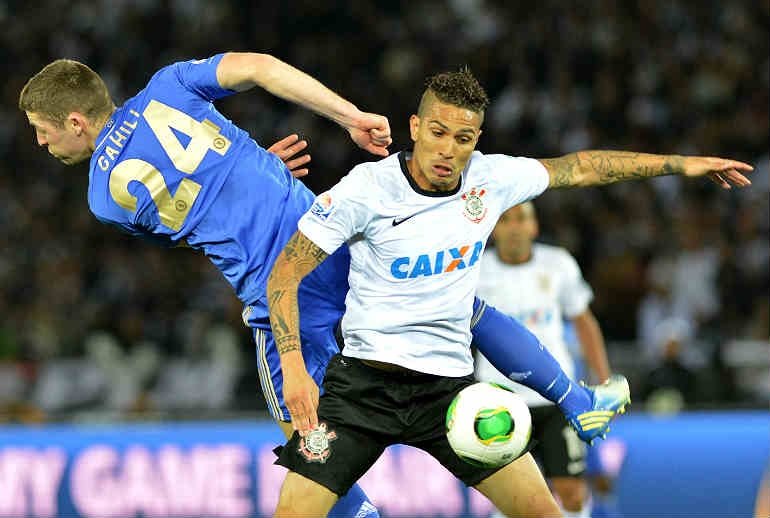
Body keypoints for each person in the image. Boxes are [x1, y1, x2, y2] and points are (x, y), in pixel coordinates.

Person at [19, 53, 620, 518]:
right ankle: (576, 399)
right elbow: (261, 68)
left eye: (43, 131)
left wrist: (244, 173)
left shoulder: (104, 200)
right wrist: (343, 118)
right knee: (457, 306)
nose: (41, 144)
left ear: (77, 121)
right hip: (336, 254)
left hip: (284, 299)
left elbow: (201, 224)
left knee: (305, 445)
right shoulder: (171, 85)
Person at [265, 68, 752, 517]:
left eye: (463, 138)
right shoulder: (367, 189)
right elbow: (284, 273)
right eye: (437, 133)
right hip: (362, 390)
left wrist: (683, 164)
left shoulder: (490, 179)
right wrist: (294, 371)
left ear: (476, 141)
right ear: (414, 127)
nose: (448, 150)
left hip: (448, 395)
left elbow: (582, 167)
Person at [474, 201, 611, 518]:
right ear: (494, 229)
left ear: (534, 227)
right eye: (506, 220)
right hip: (500, 401)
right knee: (512, 497)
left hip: (556, 397)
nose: (514, 227)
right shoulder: (476, 271)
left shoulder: (558, 264)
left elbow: (584, 321)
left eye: (522, 219)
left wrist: (602, 380)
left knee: (572, 494)